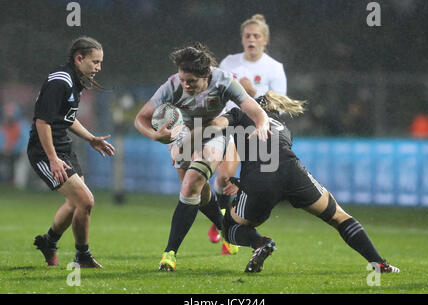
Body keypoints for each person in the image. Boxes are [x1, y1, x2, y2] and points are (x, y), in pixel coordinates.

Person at [205, 90, 400, 274]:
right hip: (293, 172)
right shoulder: (282, 125)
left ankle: (260, 243)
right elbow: (274, 158)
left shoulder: (239, 113)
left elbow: (219, 125)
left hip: (261, 179)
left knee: (230, 227)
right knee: (338, 216)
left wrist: (195, 124)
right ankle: (379, 263)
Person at [134, 42, 271, 271]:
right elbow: (141, 118)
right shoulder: (172, 85)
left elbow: (254, 109)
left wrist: (262, 124)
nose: (185, 85)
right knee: (197, 191)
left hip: (213, 130)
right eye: (183, 79)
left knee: (190, 185)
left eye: (192, 81)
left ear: (206, 75)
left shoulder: (223, 81)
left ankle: (169, 254)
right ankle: (225, 227)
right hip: (182, 133)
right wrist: (155, 135)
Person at [28, 36, 115, 268]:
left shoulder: (74, 80)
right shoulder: (61, 81)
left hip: (63, 146)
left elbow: (67, 117)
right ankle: (82, 256)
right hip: (44, 150)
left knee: (76, 203)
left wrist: (91, 139)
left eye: (100, 63)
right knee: (85, 201)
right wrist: (52, 158)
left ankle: (49, 241)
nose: (99, 67)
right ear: (79, 58)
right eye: (95, 62)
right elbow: (42, 122)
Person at [208, 14, 288, 248]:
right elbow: (217, 95)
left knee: (251, 186)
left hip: (258, 133)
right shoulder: (229, 63)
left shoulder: (274, 68)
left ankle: (232, 227)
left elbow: (280, 109)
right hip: (232, 127)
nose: (251, 39)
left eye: (256, 36)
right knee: (223, 178)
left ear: (265, 40)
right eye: (247, 36)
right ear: (242, 39)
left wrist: (253, 92)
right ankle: (222, 224)